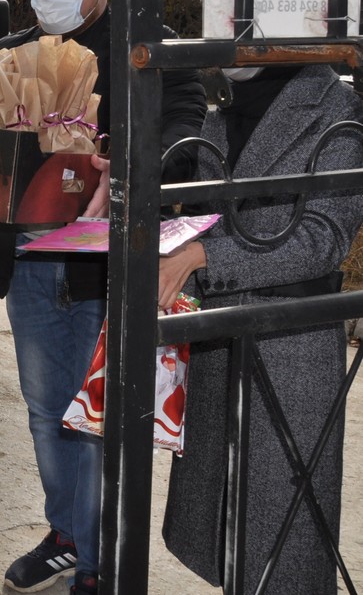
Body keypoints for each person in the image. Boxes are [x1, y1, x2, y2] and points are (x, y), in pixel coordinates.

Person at [0, 0, 207, 595]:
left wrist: (135, 159)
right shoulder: (12, 51)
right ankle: (66, 534)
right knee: (42, 408)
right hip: (31, 259)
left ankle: (96, 562)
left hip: (106, 264)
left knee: (96, 421)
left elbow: (185, 124)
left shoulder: (145, 53)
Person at [159, 63, 363, 593]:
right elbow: (202, 214)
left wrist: (204, 255)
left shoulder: (335, 109)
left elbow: (323, 238)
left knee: (282, 532)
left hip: (289, 344)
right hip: (219, 337)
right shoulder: (222, 110)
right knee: (225, 525)